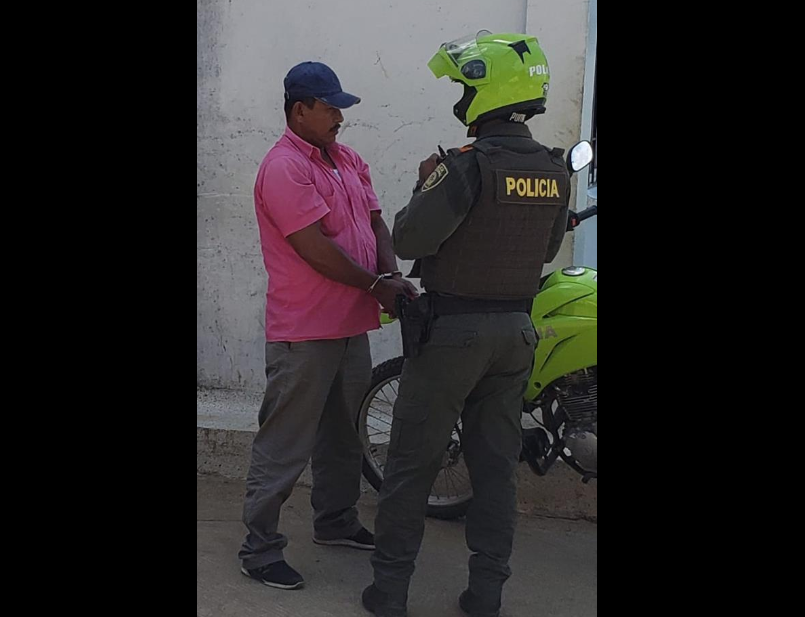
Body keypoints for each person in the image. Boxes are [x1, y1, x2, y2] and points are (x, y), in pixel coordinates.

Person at [362, 33, 572, 617]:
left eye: (464, 85)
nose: (460, 96)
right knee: (495, 470)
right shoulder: (554, 170)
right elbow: (549, 249)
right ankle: (486, 595)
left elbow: (407, 239)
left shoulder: (463, 167)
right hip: (515, 335)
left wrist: (424, 179)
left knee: (410, 465)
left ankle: (389, 591)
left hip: (453, 334)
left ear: (486, 91)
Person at [239, 61, 416, 591]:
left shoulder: (348, 160)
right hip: (304, 328)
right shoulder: (283, 168)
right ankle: (260, 547)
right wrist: (375, 285)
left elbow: (376, 220)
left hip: (349, 323)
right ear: (300, 110)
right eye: (331, 106)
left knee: (344, 432)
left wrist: (387, 273)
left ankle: (335, 521)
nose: (341, 115)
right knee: (287, 440)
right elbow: (314, 248)